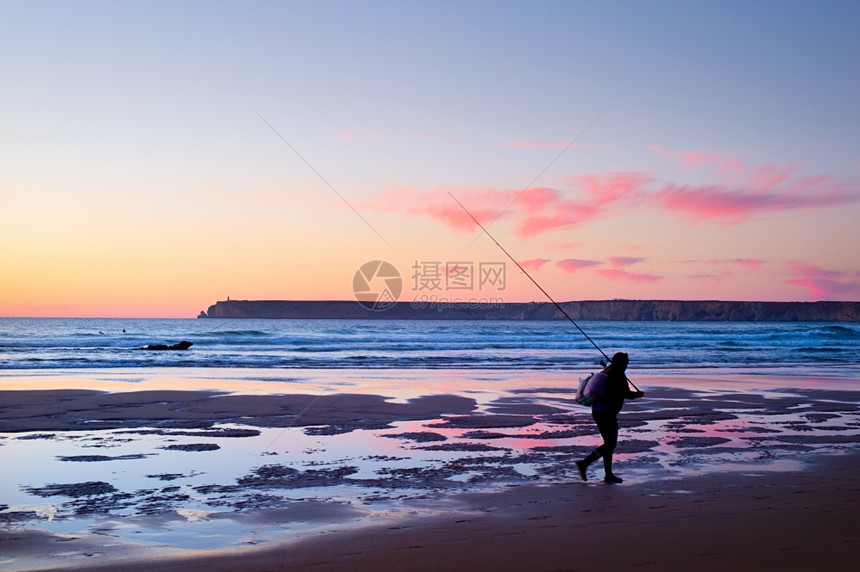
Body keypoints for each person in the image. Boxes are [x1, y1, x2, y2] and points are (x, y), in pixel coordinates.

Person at [576, 352, 644, 484]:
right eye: (626, 363)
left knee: (609, 443)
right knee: (610, 444)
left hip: (598, 411)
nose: (627, 365)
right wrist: (638, 395)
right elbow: (626, 393)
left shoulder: (607, 371)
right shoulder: (617, 374)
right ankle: (584, 464)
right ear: (621, 363)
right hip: (606, 413)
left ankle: (608, 475)